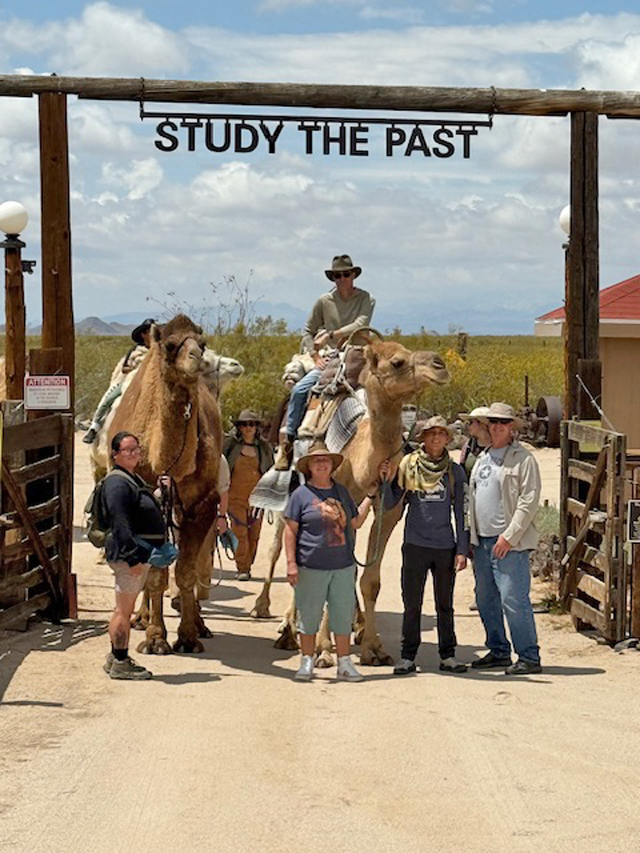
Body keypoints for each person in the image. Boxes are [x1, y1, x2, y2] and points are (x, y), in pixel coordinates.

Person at [381, 416, 469, 676]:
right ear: (423, 438)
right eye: (431, 434)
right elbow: (390, 503)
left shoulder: (455, 472)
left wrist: (462, 550)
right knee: (411, 603)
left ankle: (448, 655)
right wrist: (386, 480)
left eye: (441, 434)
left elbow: (462, 512)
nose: (436, 438)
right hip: (415, 544)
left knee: (445, 604)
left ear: (447, 439)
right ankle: (408, 657)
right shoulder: (409, 467)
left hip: (444, 547)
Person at [284, 439, 377, 682]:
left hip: (342, 566)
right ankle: (306, 661)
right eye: (317, 460)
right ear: (309, 467)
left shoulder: (341, 492)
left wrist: (369, 497)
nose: (322, 464)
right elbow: (290, 530)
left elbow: (355, 522)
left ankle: (344, 663)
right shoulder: (300, 495)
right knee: (309, 616)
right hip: (310, 566)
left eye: (325, 460)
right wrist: (291, 563)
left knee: (342, 616)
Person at [274, 255, 374, 470]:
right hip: (333, 358)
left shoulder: (366, 299)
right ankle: (288, 443)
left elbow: (361, 324)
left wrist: (330, 334)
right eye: (337, 275)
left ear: (353, 275)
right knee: (300, 390)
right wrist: (314, 355)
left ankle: (396, 439)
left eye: (346, 274)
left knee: (386, 386)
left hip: (358, 355)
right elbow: (308, 331)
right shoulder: (324, 301)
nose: (342, 279)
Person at [468, 402, 543, 676]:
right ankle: (499, 650)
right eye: (493, 422)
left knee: (513, 599)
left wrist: (509, 537)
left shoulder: (523, 460)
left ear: (512, 427)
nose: (497, 426)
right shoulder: (482, 459)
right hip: (483, 541)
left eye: (503, 422)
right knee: (486, 599)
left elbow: (528, 502)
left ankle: (528, 656)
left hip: (509, 545)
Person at [102, 431, 167, 680]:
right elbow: (120, 523)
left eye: (136, 449)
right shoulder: (117, 483)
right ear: (115, 454)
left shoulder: (131, 479)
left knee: (123, 609)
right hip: (128, 557)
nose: (133, 454)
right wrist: (132, 558)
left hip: (136, 554)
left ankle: (115, 657)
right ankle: (120, 662)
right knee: (123, 611)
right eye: (127, 450)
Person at [83, 318, 156, 444]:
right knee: (109, 399)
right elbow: (124, 368)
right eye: (150, 331)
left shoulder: (160, 352)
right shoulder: (136, 351)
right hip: (133, 381)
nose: (153, 334)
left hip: (152, 382)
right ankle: (95, 426)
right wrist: (139, 369)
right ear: (144, 334)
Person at [223, 409, 274, 581]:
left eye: (251, 424)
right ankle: (242, 567)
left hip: (257, 499)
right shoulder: (231, 446)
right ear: (239, 427)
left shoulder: (264, 448)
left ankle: (248, 564)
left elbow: (271, 471)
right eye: (244, 424)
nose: (248, 428)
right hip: (234, 497)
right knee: (240, 532)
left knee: (254, 534)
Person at [459, 406, 491, 611]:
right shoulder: (468, 447)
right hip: (471, 504)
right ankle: (480, 592)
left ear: (481, 424)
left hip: (491, 504)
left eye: (472, 422)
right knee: (475, 549)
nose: (468, 426)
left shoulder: (497, 447)